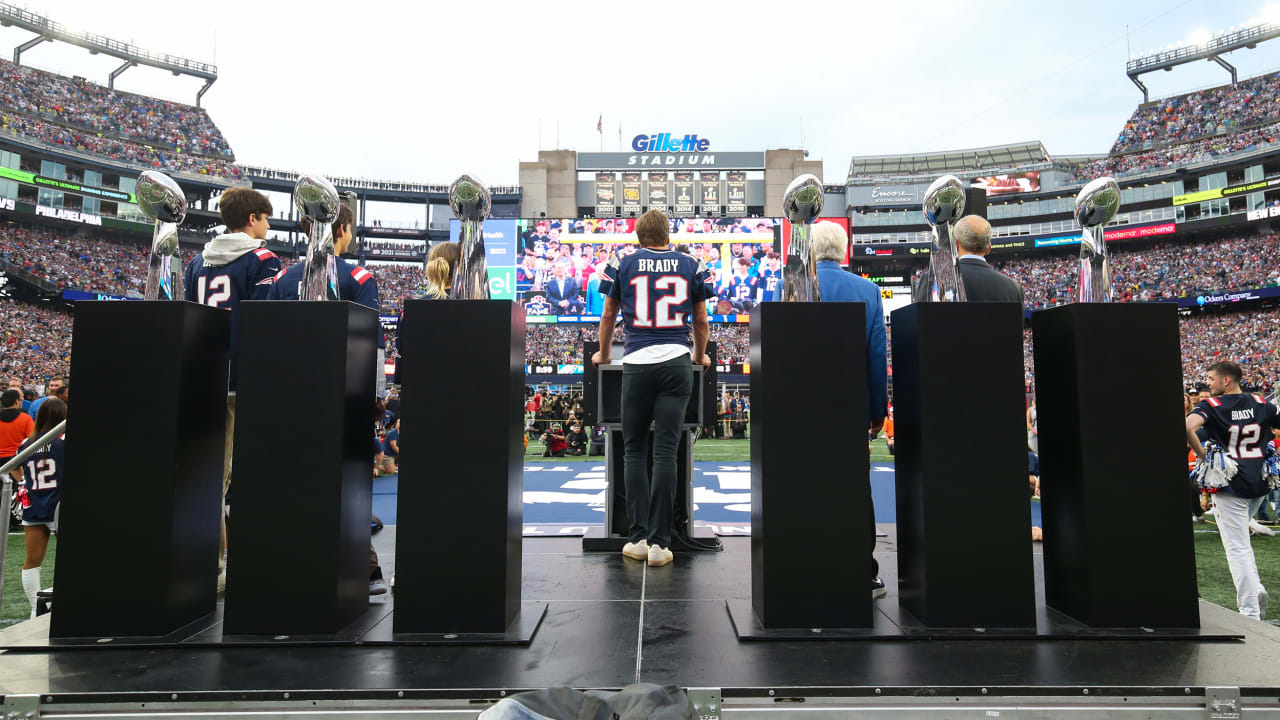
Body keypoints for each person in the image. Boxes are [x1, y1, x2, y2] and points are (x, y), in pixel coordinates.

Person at [592, 209, 712, 568]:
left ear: (638, 236)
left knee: (633, 451)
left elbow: (609, 313)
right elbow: (702, 321)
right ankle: (661, 544)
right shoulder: (691, 263)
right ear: (668, 234)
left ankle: (639, 537)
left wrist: (601, 351)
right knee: (665, 453)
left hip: (637, 361)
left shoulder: (623, 262)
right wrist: (700, 356)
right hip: (677, 360)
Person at [184, 187, 284, 591]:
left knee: (212, 477)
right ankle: (247, 558)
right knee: (256, 473)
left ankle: (213, 557)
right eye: (267, 218)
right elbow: (265, 323)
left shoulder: (196, 262)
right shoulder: (261, 258)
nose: (269, 225)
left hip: (207, 376)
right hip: (246, 378)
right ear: (254, 218)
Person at [812, 220, 890, 599]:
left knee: (806, 485)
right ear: (843, 250)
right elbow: (876, 358)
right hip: (851, 406)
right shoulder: (868, 291)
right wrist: (877, 412)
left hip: (802, 408)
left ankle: (807, 563)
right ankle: (863, 569)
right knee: (858, 489)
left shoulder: (791, 287)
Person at [1186, 360, 1280, 620]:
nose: (1209, 383)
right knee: (1243, 542)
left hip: (1230, 482)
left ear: (1227, 380)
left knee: (1236, 547)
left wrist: (1202, 455)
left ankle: (1249, 612)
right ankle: (1257, 589)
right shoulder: (1261, 403)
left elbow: (1186, 427)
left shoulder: (1212, 406)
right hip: (1258, 479)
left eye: (1212, 378)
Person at [268, 204, 385, 389]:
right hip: (340, 385)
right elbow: (370, 342)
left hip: (287, 382)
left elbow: (267, 337)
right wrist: (377, 394)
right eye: (350, 229)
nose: (351, 235)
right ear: (340, 230)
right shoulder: (359, 278)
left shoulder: (282, 278)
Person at [11, 398, 66, 618]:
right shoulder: (65, 438)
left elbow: (15, 468)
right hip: (60, 504)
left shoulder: (27, 443)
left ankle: (36, 609)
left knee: (32, 560)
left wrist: (24, 482)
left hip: (34, 503)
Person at [911, 216, 1024, 303]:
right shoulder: (1014, 288)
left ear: (956, 244)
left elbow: (918, 326)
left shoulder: (934, 279)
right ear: (988, 248)